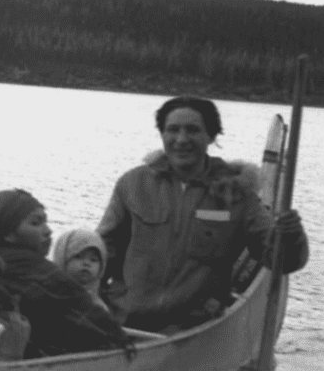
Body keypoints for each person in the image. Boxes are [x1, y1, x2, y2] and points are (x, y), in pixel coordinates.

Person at [98, 96, 308, 332]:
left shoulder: (238, 193)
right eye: (173, 130)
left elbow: (283, 260)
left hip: (193, 328)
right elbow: (104, 250)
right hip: (125, 321)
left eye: (193, 130)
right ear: (162, 135)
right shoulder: (133, 183)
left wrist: (290, 236)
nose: (181, 139)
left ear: (211, 136)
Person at [0, 190, 130, 358]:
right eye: (35, 223)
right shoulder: (42, 274)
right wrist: (124, 342)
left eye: (45, 222)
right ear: (8, 234)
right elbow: (105, 329)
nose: (48, 230)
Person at [51, 227, 109, 310]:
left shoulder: (98, 307)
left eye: (93, 260)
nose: (86, 263)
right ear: (62, 258)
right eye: (78, 257)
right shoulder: (49, 294)